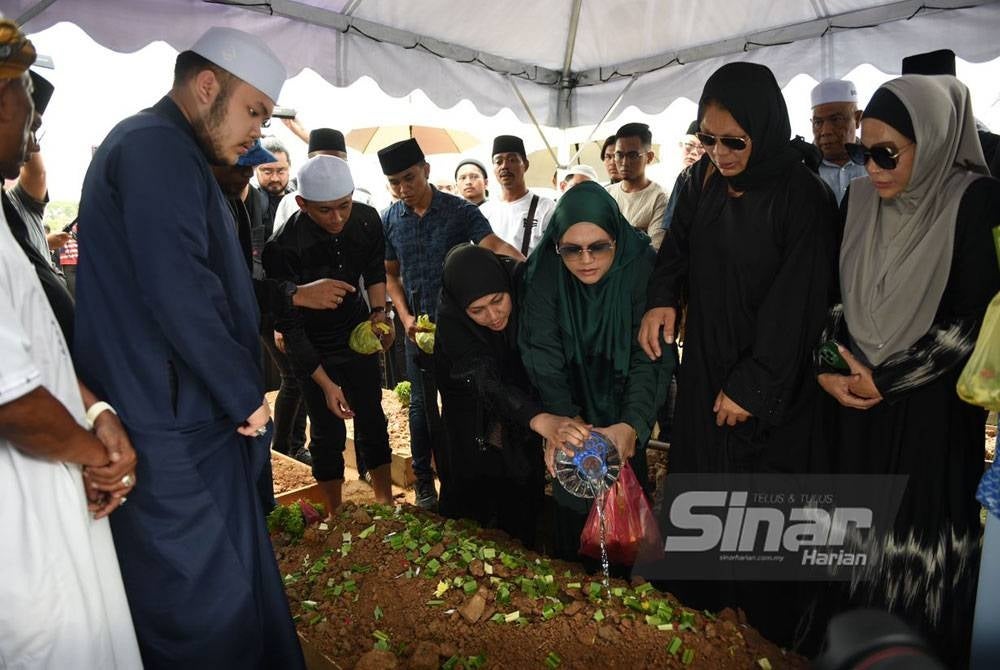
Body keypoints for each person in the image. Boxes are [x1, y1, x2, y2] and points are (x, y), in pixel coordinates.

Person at [72, 27, 305, 668]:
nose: (256, 134)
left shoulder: (166, 147)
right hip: (172, 421)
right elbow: (179, 284)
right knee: (206, 604)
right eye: (252, 110)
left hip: (181, 412)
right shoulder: (153, 146)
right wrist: (244, 392)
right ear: (207, 86)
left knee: (232, 582)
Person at [638, 62, 838, 650]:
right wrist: (662, 298)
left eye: (734, 142)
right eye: (709, 139)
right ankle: (701, 621)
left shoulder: (805, 197)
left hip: (772, 385)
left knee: (761, 511)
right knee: (703, 490)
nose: (720, 154)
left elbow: (800, 302)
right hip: (706, 366)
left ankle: (766, 637)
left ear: (765, 130)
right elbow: (674, 251)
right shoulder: (700, 182)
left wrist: (755, 384)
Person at [817, 75, 1000, 667]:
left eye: (887, 153)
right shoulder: (857, 201)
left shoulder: (976, 201)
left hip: (931, 412)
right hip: (856, 405)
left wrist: (888, 379)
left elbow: (973, 321)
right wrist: (829, 367)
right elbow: (834, 299)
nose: (871, 168)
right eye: (862, 152)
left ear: (936, 139)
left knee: (916, 549)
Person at [0, 20, 142, 667]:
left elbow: (35, 352)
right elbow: (14, 402)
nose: (34, 130)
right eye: (27, 106)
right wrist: (97, 455)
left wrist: (97, 411)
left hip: (53, 487)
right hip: (22, 522)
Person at [519, 180, 673, 562]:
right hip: (568, 403)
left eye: (599, 247)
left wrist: (632, 423)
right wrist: (564, 421)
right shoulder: (543, 272)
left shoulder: (641, 267)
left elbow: (650, 355)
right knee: (572, 510)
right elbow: (542, 353)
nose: (585, 260)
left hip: (624, 402)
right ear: (557, 245)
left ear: (616, 238)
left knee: (625, 511)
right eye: (572, 249)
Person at [379, 137, 522, 510]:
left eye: (409, 178)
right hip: (418, 333)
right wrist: (405, 318)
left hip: (462, 332)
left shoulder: (459, 211)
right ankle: (425, 483)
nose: (403, 189)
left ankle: (466, 481)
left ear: (426, 170)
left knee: (466, 405)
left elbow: (492, 245)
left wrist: (528, 267)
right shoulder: (390, 219)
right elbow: (390, 274)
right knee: (421, 409)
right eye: (394, 182)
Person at [435, 244, 590, 547]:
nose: (493, 316)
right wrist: (540, 419)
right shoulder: (451, 319)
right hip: (470, 408)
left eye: (498, 300)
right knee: (472, 495)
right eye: (477, 311)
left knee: (521, 485)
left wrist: (543, 413)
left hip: (522, 403)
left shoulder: (524, 283)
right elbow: (485, 381)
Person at [264, 155, 396, 510]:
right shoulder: (283, 247)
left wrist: (379, 315)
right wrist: (325, 384)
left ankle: (385, 501)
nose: (337, 218)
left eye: (344, 206)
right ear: (302, 203)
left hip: (355, 329)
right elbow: (290, 329)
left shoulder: (366, 219)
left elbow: (374, 270)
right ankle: (335, 511)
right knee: (326, 430)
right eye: (325, 210)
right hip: (311, 343)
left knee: (372, 416)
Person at [480, 134, 556, 256]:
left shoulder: (546, 208)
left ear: (525, 165)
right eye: (498, 162)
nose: (504, 166)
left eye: (512, 160)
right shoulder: (483, 211)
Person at [607, 122, 669, 249]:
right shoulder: (606, 194)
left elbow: (654, 250)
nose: (624, 162)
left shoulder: (660, 198)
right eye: (619, 155)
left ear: (649, 157)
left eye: (633, 155)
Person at [810, 79, 867, 204]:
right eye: (818, 122)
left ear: (857, 119)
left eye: (836, 120)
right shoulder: (802, 170)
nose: (825, 131)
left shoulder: (875, 164)